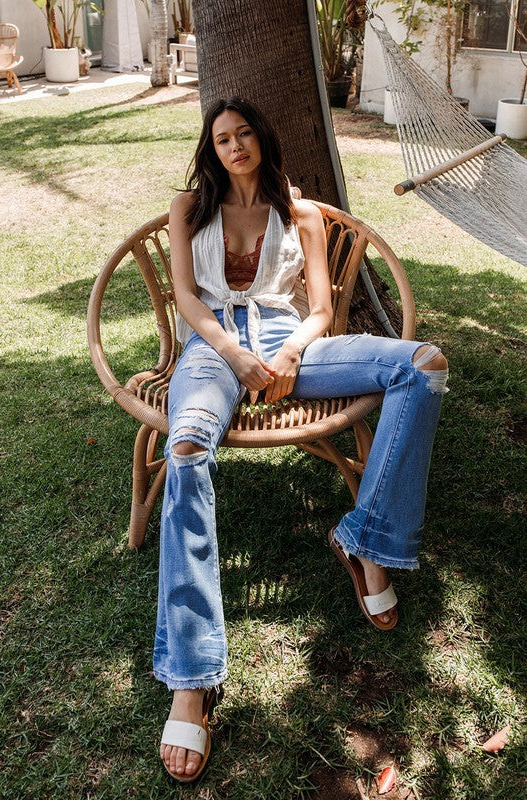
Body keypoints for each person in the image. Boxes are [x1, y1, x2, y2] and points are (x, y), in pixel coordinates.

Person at [155, 97, 449, 782]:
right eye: (220, 138)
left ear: (261, 138)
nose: (233, 146)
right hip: (211, 350)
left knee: (423, 364)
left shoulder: (302, 213)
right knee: (188, 449)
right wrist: (234, 356)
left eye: (243, 133)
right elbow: (188, 301)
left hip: (290, 346)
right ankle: (192, 679)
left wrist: (287, 356)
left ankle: (365, 538)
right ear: (212, 147)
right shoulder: (187, 208)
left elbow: (318, 308)